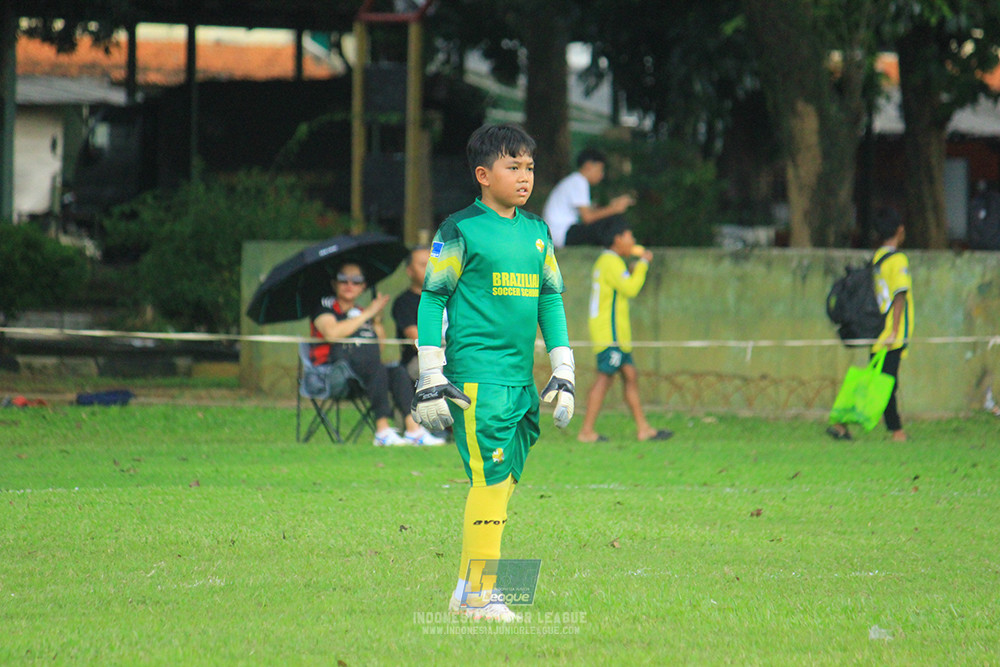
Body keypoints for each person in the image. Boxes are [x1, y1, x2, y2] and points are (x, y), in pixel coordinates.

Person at [410, 123, 576, 622]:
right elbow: (433, 297)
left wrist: (564, 369)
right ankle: (481, 596)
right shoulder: (459, 230)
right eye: (512, 166)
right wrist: (430, 374)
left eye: (529, 167)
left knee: (502, 484)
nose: (524, 177)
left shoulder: (539, 232)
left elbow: (550, 297)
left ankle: (468, 589)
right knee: (489, 483)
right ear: (484, 175)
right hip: (477, 382)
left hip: (521, 383)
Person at [310, 262, 445, 447]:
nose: (350, 285)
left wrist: (377, 322)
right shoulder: (325, 306)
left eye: (356, 281)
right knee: (377, 368)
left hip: (365, 372)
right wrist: (367, 314)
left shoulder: (361, 312)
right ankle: (382, 431)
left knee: (396, 371)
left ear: (363, 286)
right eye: (344, 280)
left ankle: (413, 430)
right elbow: (331, 333)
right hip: (331, 374)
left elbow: (377, 349)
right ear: (335, 284)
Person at [575, 217, 674, 443]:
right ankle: (586, 431)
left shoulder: (613, 262)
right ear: (618, 239)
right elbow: (630, 288)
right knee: (605, 378)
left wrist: (632, 268)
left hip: (618, 335)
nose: (633, 241)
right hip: (609, 335)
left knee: (630, 375)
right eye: (630, 237)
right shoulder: (610, 262)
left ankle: (644, 429)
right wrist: (643, 265)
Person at [827, 208, 914, 442]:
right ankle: (895, 431)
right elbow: (899, 296)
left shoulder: (877, 258)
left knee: (879, 382)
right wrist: (895, 331)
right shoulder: (898, 260)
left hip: (875, 331)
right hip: (890, 334)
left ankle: (845, 423)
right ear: (899, 230)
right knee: (886, 383)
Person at [542, 148, 635, 248]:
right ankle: (620, 246)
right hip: (561, 233)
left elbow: (590, 213)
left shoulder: (575, 180)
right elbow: (588, 218)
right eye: (600, 170)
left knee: (608, 220)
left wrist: (611, 207)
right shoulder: (579, 181)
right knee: (613, 220)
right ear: (588, 166)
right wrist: (614, 209)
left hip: (558, 233)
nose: (601, 175)